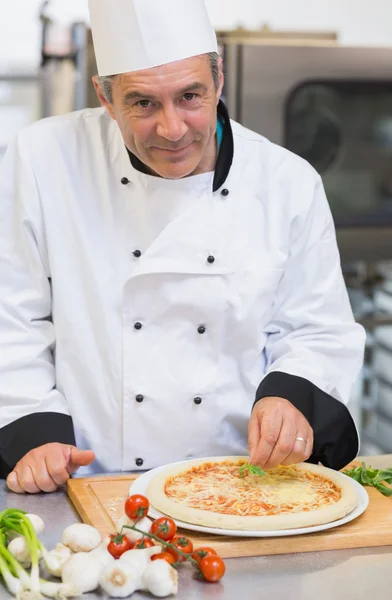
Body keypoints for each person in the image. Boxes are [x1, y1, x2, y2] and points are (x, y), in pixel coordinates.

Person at [0, 0, 365, 494]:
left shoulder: (288, 183)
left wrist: (291, 397)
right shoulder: (42, 160)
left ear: (218, 79)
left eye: (190, 96)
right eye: (143, 103)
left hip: (243, 486)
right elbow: (11, 316)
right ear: (105, 99)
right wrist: (31, 428)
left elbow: (317, 330)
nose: (172, 129)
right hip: (85, 481)